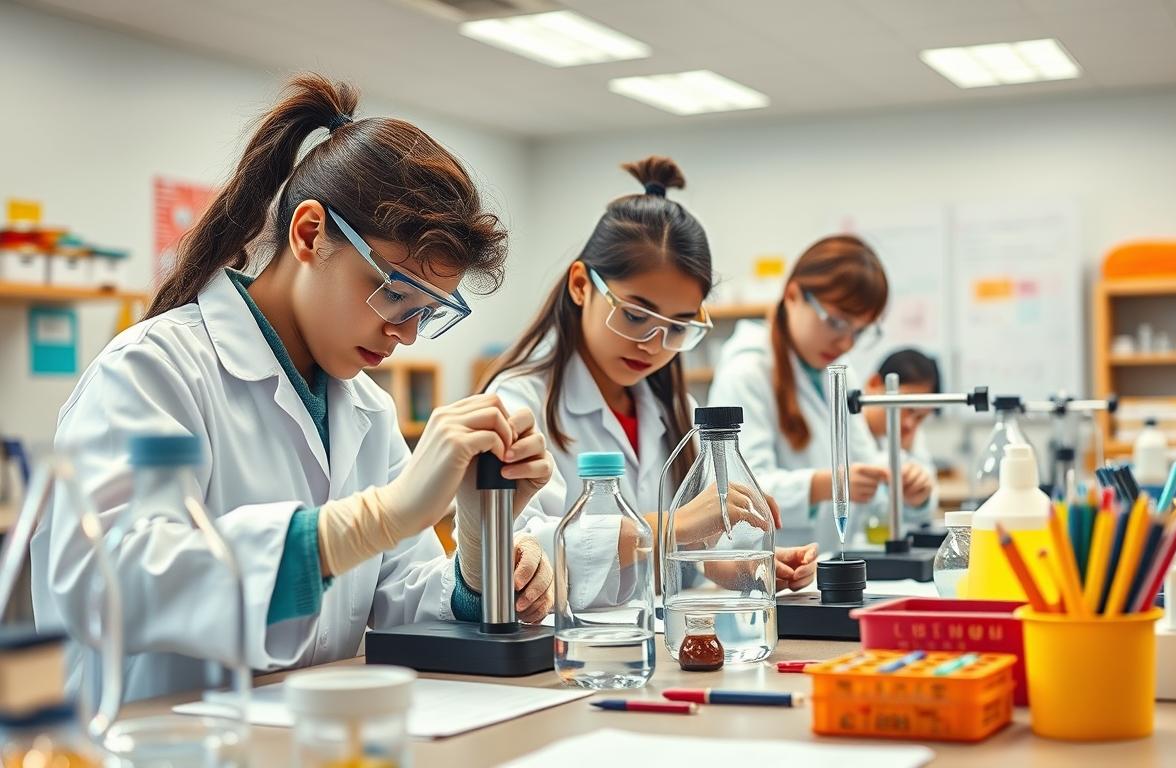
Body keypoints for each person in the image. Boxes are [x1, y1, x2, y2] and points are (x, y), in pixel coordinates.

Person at [30, 74, 554, 701]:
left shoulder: (366, 409)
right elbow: (104, 584)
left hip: (304, 731)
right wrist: (369, 521)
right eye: (396, 294)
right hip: (159, 733)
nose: (407, 334)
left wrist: (477, 553)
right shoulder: (152, 371)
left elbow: (401, 603)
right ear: (310, 235)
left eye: (427, 311)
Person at [484, 156, 819, 604]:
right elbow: (511, 554)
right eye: (636, 316)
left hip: (658, 634)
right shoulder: (517, 402)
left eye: (677, 327)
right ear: (581, 285)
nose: (653, 345)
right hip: (567, 638)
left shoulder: (670, 410)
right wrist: (675, 523)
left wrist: (744, 568)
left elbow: (686, 556)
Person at [708, 235, 934, 551]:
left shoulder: (840, 372)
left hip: (822, 564)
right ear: (793, 295)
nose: (846, 342)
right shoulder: (746, 372)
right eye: (836, 322)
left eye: (859, 331)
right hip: (762, 568)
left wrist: (907, 488)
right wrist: (823, 485)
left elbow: (863, 463)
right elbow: (735, 495)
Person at [862, 348, 941, 526]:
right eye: (908, 409)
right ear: (874, 384)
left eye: (920, 417)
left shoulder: (910, 435)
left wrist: (919, 497)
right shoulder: (845, 428)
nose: (910, 424)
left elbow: (927, 503)